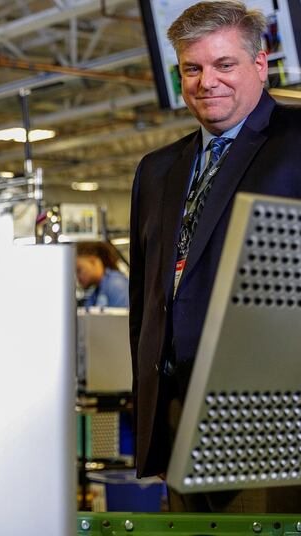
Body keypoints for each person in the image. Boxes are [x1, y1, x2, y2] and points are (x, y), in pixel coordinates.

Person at [129, 0, 301, 512]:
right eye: (193, 68)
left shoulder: (296, 142)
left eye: (224, 64)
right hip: (182, 416)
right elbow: (147, 306)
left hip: (276, 417)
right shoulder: (157, 169)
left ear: (259, 63)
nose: (208, 81)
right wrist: (153, 426)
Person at [76, 241, 129, 308]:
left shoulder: (116, 284)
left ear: (93, 261)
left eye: (79, 270)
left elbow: (123, 317)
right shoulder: (96, 292)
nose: (77, 277)